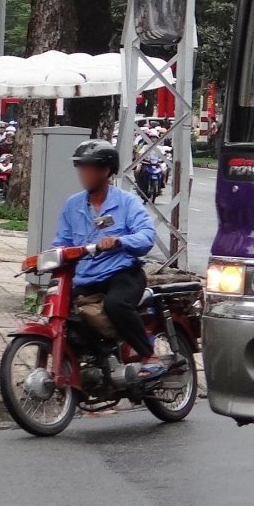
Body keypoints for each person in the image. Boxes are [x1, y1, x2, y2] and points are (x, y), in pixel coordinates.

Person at [53, 139, 168, 380]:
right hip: (86, 276)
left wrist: (119, 241)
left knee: (116, 305)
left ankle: (149, 356)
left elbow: (147, 236)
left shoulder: (127, 202)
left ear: (105, 171)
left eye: (88, 168)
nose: (83, 173)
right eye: (80, 168)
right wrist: (50, 257)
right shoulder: (73, 205)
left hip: (123, 273)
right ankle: (90, 359)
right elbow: (61, 241)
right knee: (61, 311)